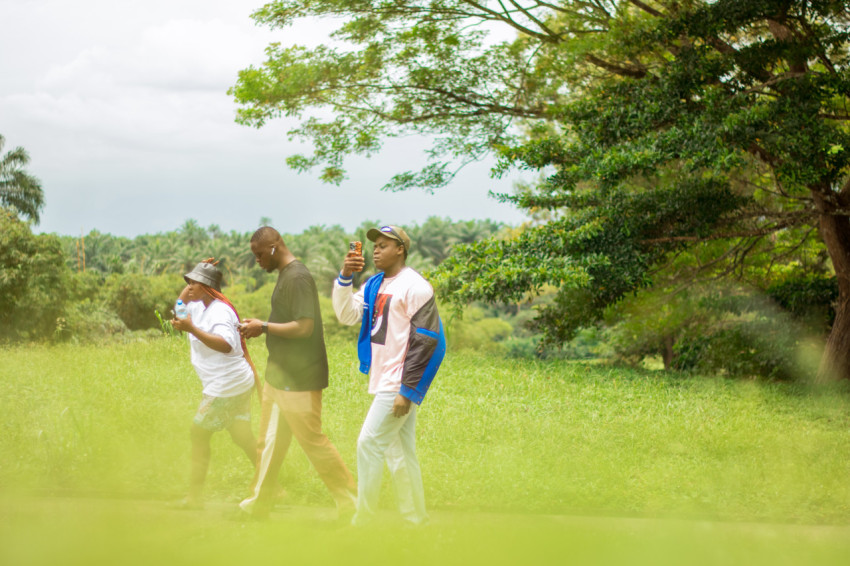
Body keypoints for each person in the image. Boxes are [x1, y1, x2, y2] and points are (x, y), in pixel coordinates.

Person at [237, 226, 357, 520]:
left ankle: (353, 505)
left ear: (275, 247)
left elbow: (305, 327)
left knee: (313, 442)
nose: (258, 261)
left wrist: (262, 326)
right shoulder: (285, 275)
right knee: (268, 442)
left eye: (259, 254)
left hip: (300, 379)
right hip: (279, 376)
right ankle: (259, 504)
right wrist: (261, 325)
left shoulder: (298, 277)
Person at [333, 225, 446, 527]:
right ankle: (416, 520)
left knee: (368, 443)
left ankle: (364, 520)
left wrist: (407, 390)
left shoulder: (416, 286)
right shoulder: (374, 284)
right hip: (384, 378)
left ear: (401, 249)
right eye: (375, 245)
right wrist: (345, 276)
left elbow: (426, 340)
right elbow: (346, 315)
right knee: (399, 452)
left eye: (384, 245)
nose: (376, 250)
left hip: (398, 381)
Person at [171, 259, 261, 510]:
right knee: (242, 435)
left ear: (208, 286)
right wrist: (184, 316)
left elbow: (227, 344)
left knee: (198, 433)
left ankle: (194, 497)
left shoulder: (220, 311)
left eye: (194, 283)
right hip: (233, 382)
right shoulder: (197, 306)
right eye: (187, 282)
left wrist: (191, 329)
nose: (189, 287)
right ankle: (275, 489)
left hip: (227, 384)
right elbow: (178, 308)